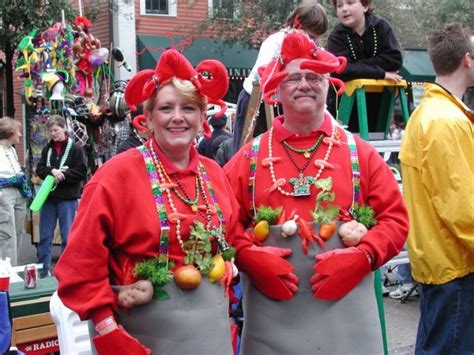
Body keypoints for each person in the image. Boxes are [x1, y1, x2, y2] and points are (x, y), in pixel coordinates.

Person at [224, 30, 408, 354]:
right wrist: (247, 255)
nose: (304, 84)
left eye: (314, 76)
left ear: (328, 85)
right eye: (293, 78)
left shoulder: (361, 154)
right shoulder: (247, 160)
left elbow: (396, 220)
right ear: (276, 89)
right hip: (270, 328)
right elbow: (221, 222)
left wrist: (364, 256)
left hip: (348, 329)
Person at [54, 48, 242, 354]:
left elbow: (234, 241)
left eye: (189, 108)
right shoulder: (116, 175)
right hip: (140, 340)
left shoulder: (215, 175)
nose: (178, 117)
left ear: (201, 117)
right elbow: (79, 267)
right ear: (149, 118)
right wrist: (106, 329)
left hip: (210, 338)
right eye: (166, 108)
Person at [399, 24, 474, 354]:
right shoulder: (446, 120)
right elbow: (462, 207)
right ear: (467, 60)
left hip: (439, 261)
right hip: (454, 264)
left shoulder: (428, 113)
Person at [232, 0, 329, 154]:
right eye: (310, 35)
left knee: (281, 152)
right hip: (256, 99)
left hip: (283, 102)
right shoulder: (276, 42)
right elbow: (263, 74)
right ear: (297, 25)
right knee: (247, 151)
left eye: (316, 38)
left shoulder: (312, 49)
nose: (312, 41)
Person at [326, 0, 403, 132]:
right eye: (339, 5)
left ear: (365, 6)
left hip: (378, 105)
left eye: (350, 3)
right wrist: (380, 73)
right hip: (345, 106)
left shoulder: (381, 27)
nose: (344, 9)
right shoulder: (336, 36)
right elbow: (341, 69)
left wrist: (356, 66)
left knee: (375, 145)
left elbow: (395, 60)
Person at [35, 115, 87, 278]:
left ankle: (66, 270)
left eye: (56, 130)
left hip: (67, 197)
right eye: (50, 131)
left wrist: (64, 175)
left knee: (67, 235)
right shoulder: (47, 149)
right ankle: (44, 268)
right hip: (49, 197)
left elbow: (81, 171)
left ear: (64, 128)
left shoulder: (76, 149)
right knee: (45, 234)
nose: (53, 134)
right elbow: (40, 168)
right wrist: (52, 171)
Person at [0, 118, 31, 266]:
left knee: (18, 232)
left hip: (19, 193)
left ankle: (12, 266)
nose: (19, 135)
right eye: (17, 131)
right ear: (10, 132)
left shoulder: (12, 149)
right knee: (8, 234)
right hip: (4, 193)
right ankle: (8, 272)